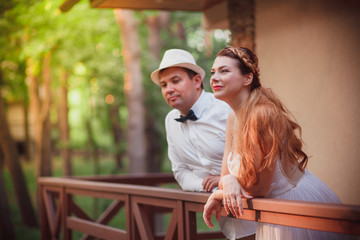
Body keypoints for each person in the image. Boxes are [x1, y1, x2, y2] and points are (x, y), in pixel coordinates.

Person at [202, 46, 352, 239]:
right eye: (213, 72)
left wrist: (217, 195)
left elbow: (259, 189)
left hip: (294, 207)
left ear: (247, 78)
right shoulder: (232, 117)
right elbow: (224, 176)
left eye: (224, 71)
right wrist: (229, 180)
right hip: (271, 213)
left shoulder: (262, 114)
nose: (214, 77)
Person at [151, 49, 256, 239]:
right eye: (164, 84)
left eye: (176, 81)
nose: (169, 89)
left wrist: (226, 178)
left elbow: (254, 158)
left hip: (260, 208)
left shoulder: (226, 109)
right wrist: (213, 186)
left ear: (197, 81)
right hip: (228, 217)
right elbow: (180, 171)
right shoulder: (170, 121)